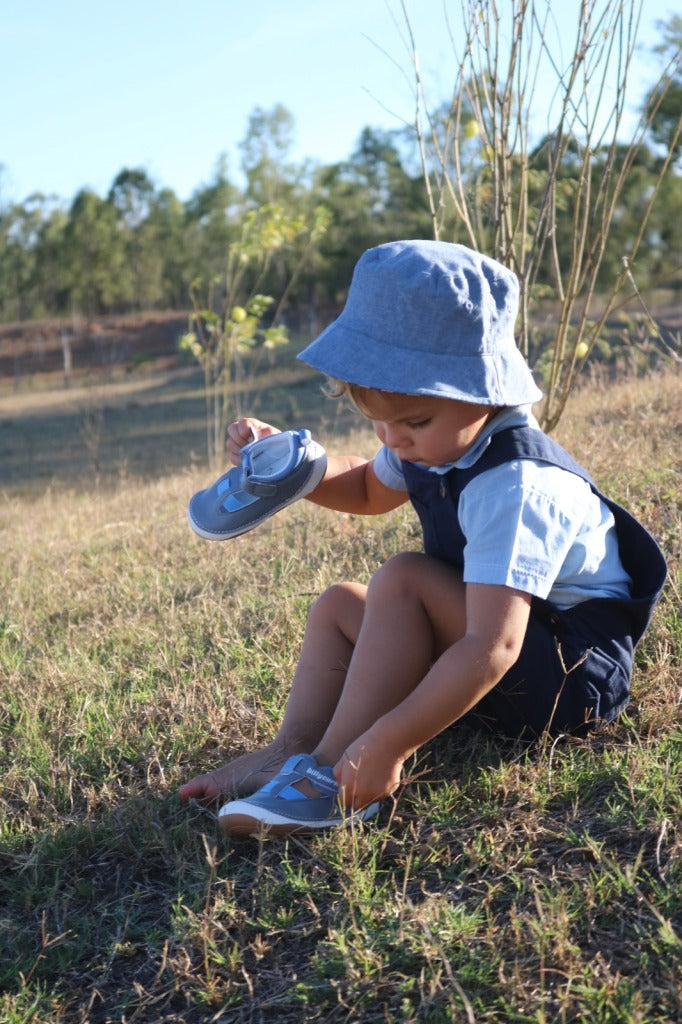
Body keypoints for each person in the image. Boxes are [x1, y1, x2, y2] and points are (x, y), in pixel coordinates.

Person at [179, 240, 667, 837]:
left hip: (566, 682)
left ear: (484, 392)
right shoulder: (437, 441)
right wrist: (295, 466)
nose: (394, 439)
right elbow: (363, 490)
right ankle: (292, 750)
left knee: (405, 579)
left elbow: (494, 646)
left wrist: (386, 742)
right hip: (494, 667)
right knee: (340, 606)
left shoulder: (516, 484)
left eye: (412, 422)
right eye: (377, 420)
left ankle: (333, 776)